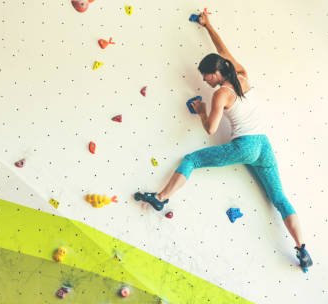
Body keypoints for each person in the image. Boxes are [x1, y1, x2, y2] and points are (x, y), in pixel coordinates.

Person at [134, 12, 313, 272]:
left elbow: (211, 129)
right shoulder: (241, 74)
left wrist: (201, 110)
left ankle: (161, 197)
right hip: (264, 144)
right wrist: (208, 26)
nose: (205, 80)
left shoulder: (221, 95)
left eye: (206, 75)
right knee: (280, 198)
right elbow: (222, 50)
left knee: (192, 160)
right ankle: (303, 249)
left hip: (245, 145)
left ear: (216, 73)